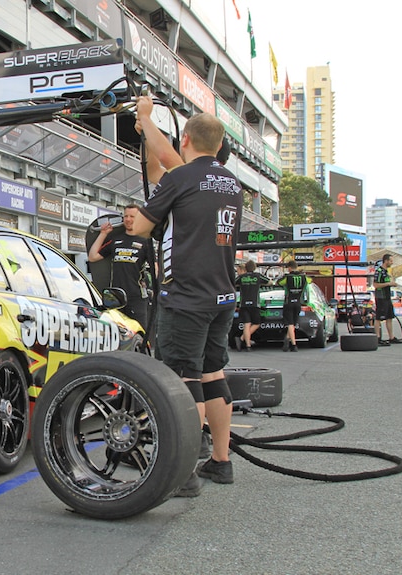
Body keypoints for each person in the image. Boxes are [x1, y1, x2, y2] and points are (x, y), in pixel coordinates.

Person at [134, 95, 240, 497]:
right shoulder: (229, 181)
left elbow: (142, 227)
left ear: (187, 141)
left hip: (186, 295)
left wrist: (144, 118)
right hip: (221, 296)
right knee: (213, 373)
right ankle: (220, 461)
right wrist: (149, 126)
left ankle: (184, 473)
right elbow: (166, 158)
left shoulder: (180, 179)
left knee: (185, 377)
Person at [87, 204, 155, 329]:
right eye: (126, 216)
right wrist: (103, 233)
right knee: (117, 334)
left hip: (137, 297)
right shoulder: (115, 240)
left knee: (139, 335)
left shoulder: (145, 242)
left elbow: (156, 268)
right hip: (115, 297)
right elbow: (92, 257)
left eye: (132, 216)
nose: (128, 219)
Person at [234, 260, 271, 351]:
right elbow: (270, 282)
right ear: (254, 267)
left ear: (245, 268)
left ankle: (247, 346)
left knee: (247, 324)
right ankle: (242, 339)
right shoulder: (258, 276)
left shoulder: (241, 277)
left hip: (243, 304)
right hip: (255, 303)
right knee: (256, 323)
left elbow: (233, 283)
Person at [276, 260, 308, 351]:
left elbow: (278, 283)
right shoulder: (304, 277)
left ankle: (294, 345)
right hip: (298, 303)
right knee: (293, 324)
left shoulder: (287, 277)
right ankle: (287, 339)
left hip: (288, 303)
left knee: (290, 324)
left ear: (289, 268)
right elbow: (310, 281)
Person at [373, 254, 401, 346]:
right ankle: (377, 337)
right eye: (391, 261)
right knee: (379, 318)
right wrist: (389, 284)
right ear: (386, 261)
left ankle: (391, 337)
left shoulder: (386, 271)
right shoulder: (379, 271)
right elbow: (376, 285)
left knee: (389, 317)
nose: (392, 263)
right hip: (381, 298)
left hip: (387, 298)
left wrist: (392, 284)